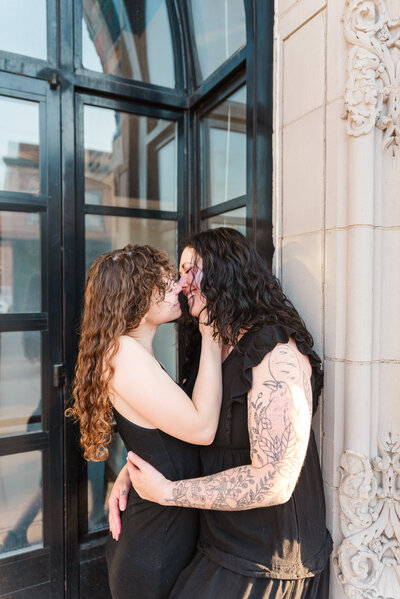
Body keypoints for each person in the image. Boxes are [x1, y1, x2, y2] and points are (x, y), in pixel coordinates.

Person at [109, 228, 333, 599]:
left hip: (266, 562)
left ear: (224, 270)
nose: (181, 283)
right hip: (218, 546)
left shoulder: (275, 352)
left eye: (189, 270)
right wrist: (135, 466)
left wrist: (168, 491)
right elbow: (196, 428)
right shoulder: (213, 344)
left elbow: (274, 481)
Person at [67, 244, 222, 599]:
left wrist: (128, 470)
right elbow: (201, 429)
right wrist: (211, 338)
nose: (178, 286)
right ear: (133, 296)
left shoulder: (132, 352)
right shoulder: (122, 353)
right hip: (153, 551)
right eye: (163, 282)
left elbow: (157, 436)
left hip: (161, 539)